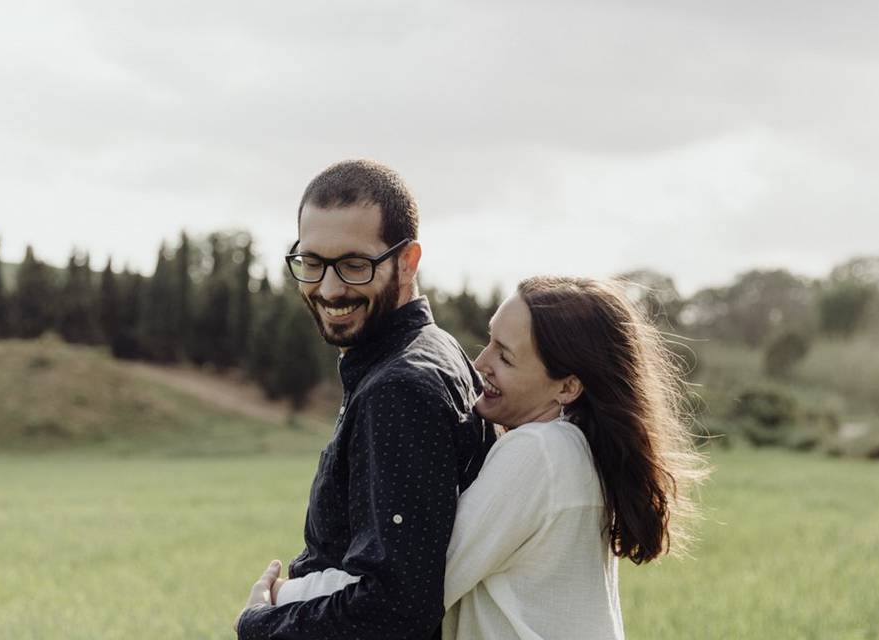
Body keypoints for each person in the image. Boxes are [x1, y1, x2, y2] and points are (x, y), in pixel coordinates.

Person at [265, 276, 709, 639]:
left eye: (506, 357)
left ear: (568, 387)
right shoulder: (575, 448)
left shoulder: (539, 455)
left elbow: (418, 580)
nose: (480, 363)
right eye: (490, 342)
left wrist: (277, 599)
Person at [235, 159, 493, 640]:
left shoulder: (398, 389)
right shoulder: (434, 349)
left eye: (355, 265)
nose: (330, 289)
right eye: (312, 263)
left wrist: (263, 625)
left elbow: (396, 606)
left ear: (408, 261)